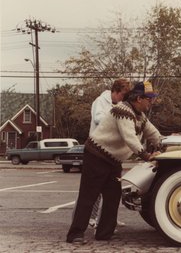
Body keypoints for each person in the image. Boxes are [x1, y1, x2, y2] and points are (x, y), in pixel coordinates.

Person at [66, 81, 162, 244]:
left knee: (112, 196)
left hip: (112, 160)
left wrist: (164, 143)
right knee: (89, 196)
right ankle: (75, 234)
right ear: (139, 98)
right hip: (96, 156)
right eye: (149, 98)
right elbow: (130, 138)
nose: (151, 101)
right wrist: (147, 156)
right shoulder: (122, 111)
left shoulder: (140, 116)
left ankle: (104, 233)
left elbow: (152, 132)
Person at [87, 78, 132, 228]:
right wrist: (114, 117)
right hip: (98, 150)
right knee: (94, 189)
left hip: (113, 152)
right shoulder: (100, 101)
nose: (122, 99)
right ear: (116, 91)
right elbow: (98, 118)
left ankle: (109, 219)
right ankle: (90, 218)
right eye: (122, 95)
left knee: (113, 190)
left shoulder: (118, 104)